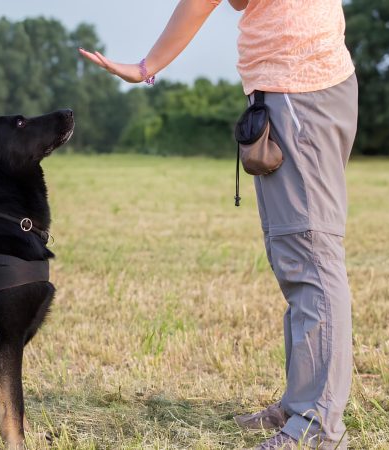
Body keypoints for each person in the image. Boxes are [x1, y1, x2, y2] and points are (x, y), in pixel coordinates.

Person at [79, 1, 357, 449]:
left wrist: (147, 66)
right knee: (296, 257)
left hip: (299, 89)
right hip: (298, 86)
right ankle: (301, 405)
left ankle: (316, 427)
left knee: (311, 258)